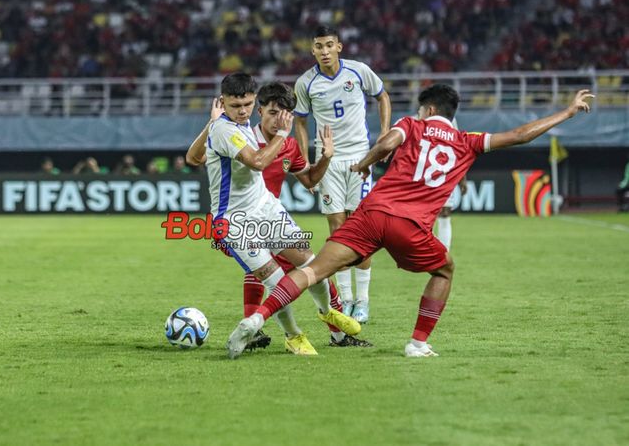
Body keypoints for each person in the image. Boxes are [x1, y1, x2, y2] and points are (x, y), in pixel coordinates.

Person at [226, 85, 595, 359]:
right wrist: (567, 112)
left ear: (428, 108)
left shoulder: (412, 125)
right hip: (412, 227)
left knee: (312, 269)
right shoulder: (467, 140)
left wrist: (367, 162)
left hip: (372, 213)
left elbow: (388, 142)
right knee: (445, 270)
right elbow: (518, 136)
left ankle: (259, 318)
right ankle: (417, 343)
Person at [186, 82, 371, 352]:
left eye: (284, 114)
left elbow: (310, 180)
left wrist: (326, 158)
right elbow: (200, 157)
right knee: (273, 280)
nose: (278, 119)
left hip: (270, 212)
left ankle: (329, 317)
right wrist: (213, 124)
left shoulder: (288, 145)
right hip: (238, 222)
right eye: (273, 112)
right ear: (261, 111)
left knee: (313, 266)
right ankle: (292, 335)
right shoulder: (238, 133)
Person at [293, 26, 392, 323]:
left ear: (339, 46)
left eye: (328, 45)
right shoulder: (305, 83)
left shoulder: (359, 71)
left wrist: (384, 135)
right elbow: (300, 121)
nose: (324, 51)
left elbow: (382, 96)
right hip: (328, 161)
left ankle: (363, 300)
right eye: (318, 46)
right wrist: (306, 160)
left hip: (359, 159)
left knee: (360, 229)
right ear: (312, 50)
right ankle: (346, 299)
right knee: (338, 230)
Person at [435, 175, 467, 250]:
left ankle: (444, 253)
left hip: (444, 177)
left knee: (445, 213)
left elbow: (458, 162)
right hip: (423, 176)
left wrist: (462, 179)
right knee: (422, 215)